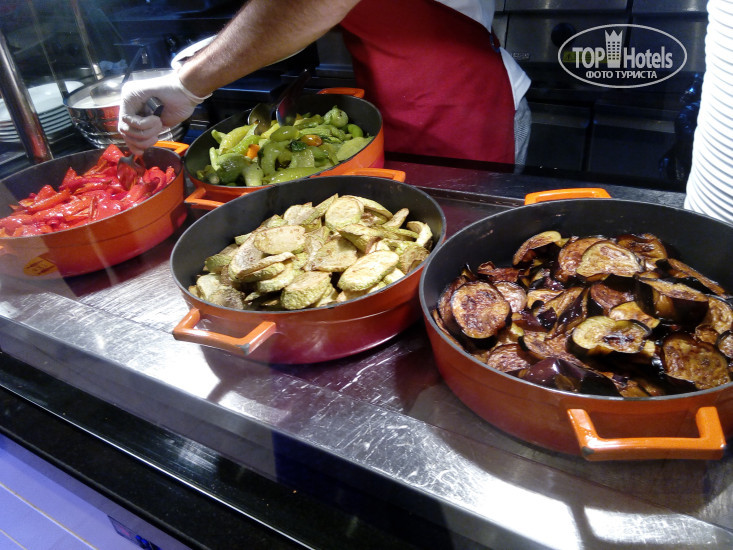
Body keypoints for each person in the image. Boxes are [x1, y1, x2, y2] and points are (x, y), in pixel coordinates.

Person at [118, 0, 531, 165]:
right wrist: (214, 54)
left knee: (455, 264)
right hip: (401, 102)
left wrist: (189, 83)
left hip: (463, 106)